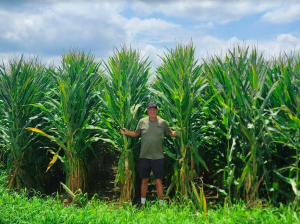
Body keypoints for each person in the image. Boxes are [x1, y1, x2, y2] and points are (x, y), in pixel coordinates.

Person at [120, 102, 180, 208]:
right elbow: (136, 133)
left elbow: (171, 134)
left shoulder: (162, 122)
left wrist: (180, 132)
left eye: (154, 109)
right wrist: (127, 132)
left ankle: (161, 204)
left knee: (158, 181)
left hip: (158, 157)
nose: (152, 111)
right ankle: (143, 203)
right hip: (144, 157)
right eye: (150, 109)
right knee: (144, 180)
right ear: (147, 111)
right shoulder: (142, 122)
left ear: (157, 110)